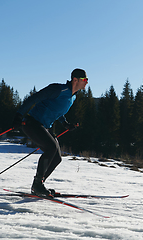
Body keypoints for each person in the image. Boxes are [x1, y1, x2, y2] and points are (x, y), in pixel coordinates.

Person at [12, 68, 88, 196]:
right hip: (32, 123)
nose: (86, 82)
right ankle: (37, 185)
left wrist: (65, 123)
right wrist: (19, 115)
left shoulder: (72, 97)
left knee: (57, 157)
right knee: (51, 148)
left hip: (44, 126)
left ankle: (38, 186)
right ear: (75, 80)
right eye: (84, 79)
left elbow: (56, 110)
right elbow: (35, 98)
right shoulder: (58, 89)